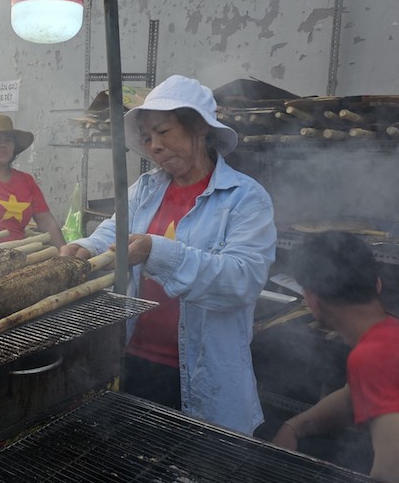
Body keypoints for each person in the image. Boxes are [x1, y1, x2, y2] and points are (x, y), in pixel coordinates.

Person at [60, 75, 276, 435]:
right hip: (137, 359)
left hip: (203, 373)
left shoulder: (245, 198)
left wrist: (156, 252)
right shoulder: (146, 188)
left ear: (200, 129)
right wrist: (84, 248)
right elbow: (114, 231)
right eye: (147, 138)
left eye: (164, 132)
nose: (154, 146)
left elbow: (242, 280)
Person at [274, 231, 399, 483]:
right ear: (377, 284)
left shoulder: (375, 356)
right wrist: (296, 426)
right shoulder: (392, 336)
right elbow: (352, 397)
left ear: (311, 299)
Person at [0, 113, 65, 247]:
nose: (2, 145)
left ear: (14, 146)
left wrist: (65, 253)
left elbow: (47, 222)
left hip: (19, 256)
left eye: (8, 140)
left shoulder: (26, 181)